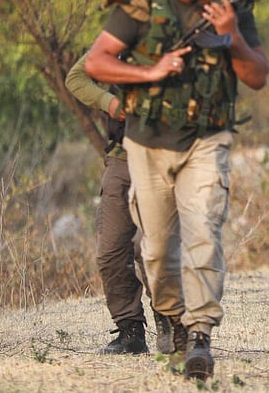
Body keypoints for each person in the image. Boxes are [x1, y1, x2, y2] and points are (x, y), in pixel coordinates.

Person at [85, 0, 269, 380]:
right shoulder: (141, 4)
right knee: (156, 249)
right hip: (146, 143)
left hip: (207, 140)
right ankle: (169, 316)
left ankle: (201, 331)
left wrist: (233, 36)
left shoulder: (230, 6)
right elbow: (95, 62)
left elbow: (257, 76)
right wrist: (151, 72)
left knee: (204, 232)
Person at [65, 54, 172, 355]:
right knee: (110, 249)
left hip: (162, 159)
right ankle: (130, 331)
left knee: (150, 247)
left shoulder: (177, 35)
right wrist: (110, 103)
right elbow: (75, 78)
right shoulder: (118, 39)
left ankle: (167, 317)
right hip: (121, 159)